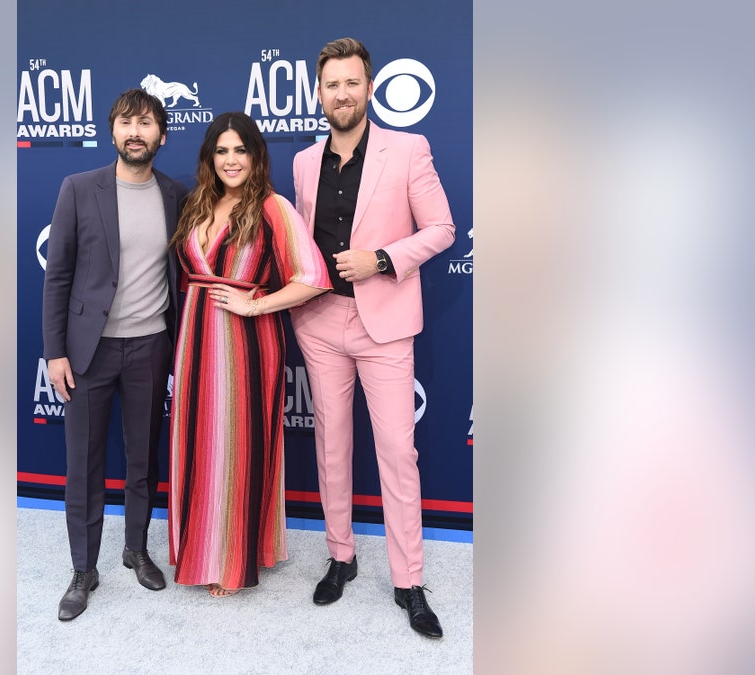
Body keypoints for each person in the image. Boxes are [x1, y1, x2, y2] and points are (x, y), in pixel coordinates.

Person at [290, 37, 457, 638]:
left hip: (384, 326)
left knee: (396, 453)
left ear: (369, 87)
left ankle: (409, 580)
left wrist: (383, 259)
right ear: (319, 92)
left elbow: (441, 228)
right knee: (331, 447)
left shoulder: (409, 149)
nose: (342, 93)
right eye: (332, 84)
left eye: (352, 82)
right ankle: (341, 557)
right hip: (319, 324)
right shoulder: (304, 162)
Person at [168, 112, 330, 597]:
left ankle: (231, 558)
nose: (231, 160)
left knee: (234, 446)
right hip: (194, 339)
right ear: (209, 158)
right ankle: (198, 548)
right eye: (221, 151)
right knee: (198, 444)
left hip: (245, 344)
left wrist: (255, 302)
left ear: (257, 155)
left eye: (241, 150)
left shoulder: (273, 207)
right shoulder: (198, 204)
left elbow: (313, 277)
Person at [41, 88, 188, 621]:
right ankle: (84, 570)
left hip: (151, 347)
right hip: (88, 352)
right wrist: (55, 351)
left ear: (161, 135)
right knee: (83, 464)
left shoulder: (177, 195)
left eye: (145, 123)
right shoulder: (79, 189)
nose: (135, 131)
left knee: (142, 461)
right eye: (126, 122)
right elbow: (57, 275)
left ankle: (136, 549)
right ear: (112, 132)